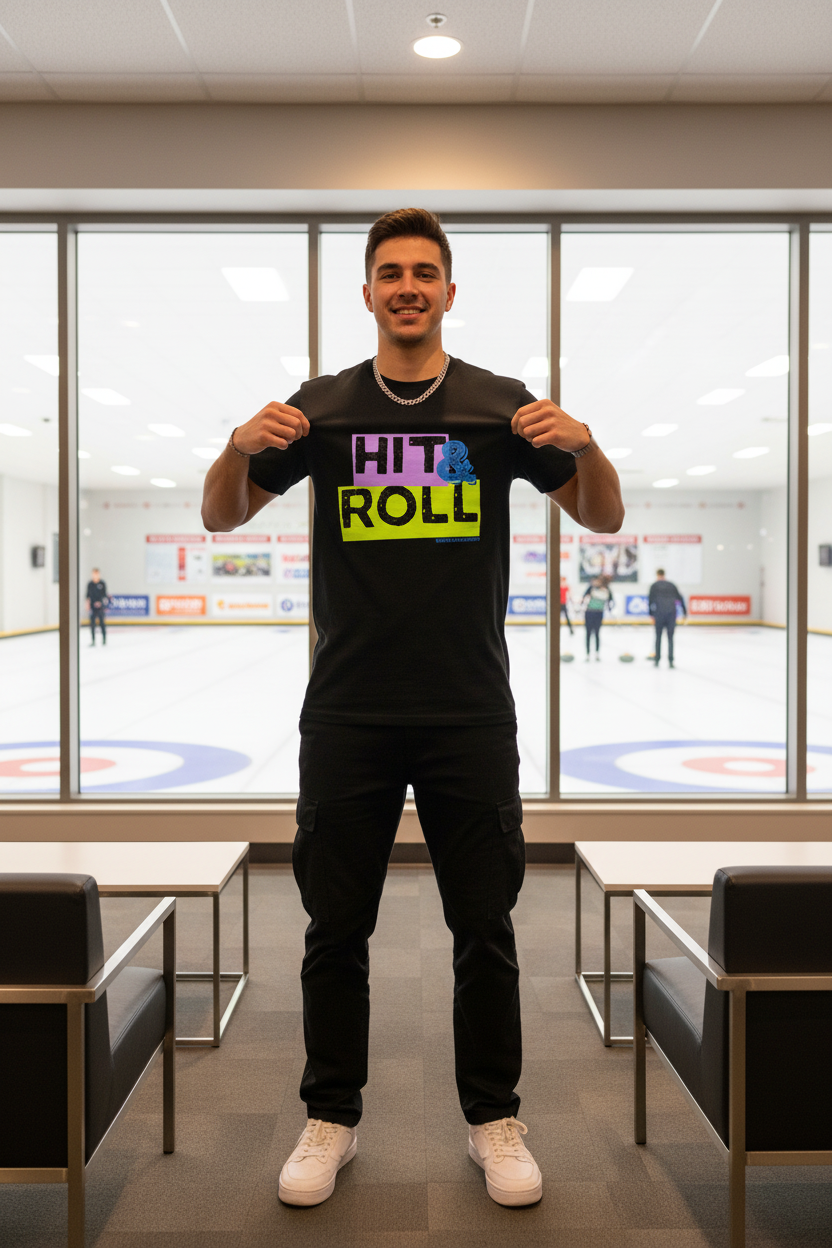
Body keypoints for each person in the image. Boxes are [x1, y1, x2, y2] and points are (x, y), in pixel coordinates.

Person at [201, 208, 624, 1210]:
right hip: (347, 710)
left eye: (423, 272)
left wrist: (588, 444)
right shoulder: (323, 411)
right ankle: (330, 1118)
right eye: (389, 272)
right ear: (366, 293)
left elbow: (600, 514)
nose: (406, 287)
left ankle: (493, 1120)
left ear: (446, 290)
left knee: (485, 926)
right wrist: (231, 446)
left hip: (469, 711)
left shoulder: (498, 407)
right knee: (332, 929)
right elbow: (224, 512)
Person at [648, 568, 686, 668]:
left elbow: (650, 601)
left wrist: (651, 614)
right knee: (670, 638)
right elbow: (680, 599)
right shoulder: (671, 585)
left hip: (659, 614)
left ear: (657, 575)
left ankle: (657, 660)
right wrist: (685, 612)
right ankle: (671, 661)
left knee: (658, 637)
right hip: (671, 614)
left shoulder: (654, 586)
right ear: (664, 575)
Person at [581, 575, 614, 660]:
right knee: (588, 633)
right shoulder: (591, 588)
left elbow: (611, 601)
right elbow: (584, 597)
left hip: (599, 613)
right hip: (589, 612)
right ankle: (587, 653)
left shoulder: (606, 590)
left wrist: (610, 609)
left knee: (596, 633)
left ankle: (596, 653)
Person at [85, 568, 108, 646]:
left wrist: (100, 603)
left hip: (100, 607)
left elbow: (105, 595)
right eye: (94, 574)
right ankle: (93, 641)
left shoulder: (102, 583)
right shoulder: (90, 584)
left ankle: (104, 640)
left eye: (96, 574)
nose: (95, 575)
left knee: (102, 623)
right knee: (92, 624)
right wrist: (87, 605)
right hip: (92, 607)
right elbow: (87, 596)